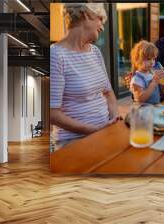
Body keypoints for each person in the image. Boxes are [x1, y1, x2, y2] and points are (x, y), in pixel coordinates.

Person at [50, 3, 120, 151]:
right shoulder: (56, 55)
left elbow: (108, 93)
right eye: (100, 19)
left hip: (104, 133)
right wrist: (96, 130)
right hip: (73, 140)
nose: (102, 27)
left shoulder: (95, 51)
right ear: (86, 15)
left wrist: (114, 119)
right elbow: (52, 114)